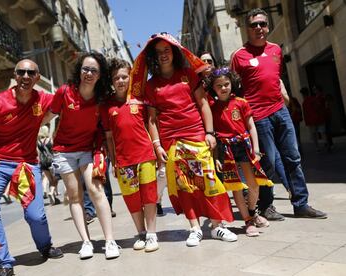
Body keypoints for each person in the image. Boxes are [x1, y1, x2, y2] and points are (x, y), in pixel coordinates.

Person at [130, 32, 237, 247]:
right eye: (158, 52)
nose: (163, 55)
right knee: (185, 186)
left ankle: (217, 226)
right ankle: (195, 228)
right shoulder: (151, 86)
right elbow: (151, 119)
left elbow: (203, 104)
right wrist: (157, 144)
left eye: (166, 50)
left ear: (174, 52)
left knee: (210, 181)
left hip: (197, 135)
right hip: (172, 142)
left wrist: (209, 132)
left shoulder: (188, 74)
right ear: (153, 56)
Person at [0, 59, 63, 276]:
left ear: (37, 77)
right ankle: (3, 262)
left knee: (36, 216)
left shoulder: (43, 99)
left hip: (27, 164)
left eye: (31, 73)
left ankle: (45, 246)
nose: (26, 77)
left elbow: (65, 99)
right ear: (15, 75)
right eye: (22, 72)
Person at [231, 8, 327, 220]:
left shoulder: (276, 50)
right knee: (269, 163)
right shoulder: (238, 57)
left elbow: (276, 79)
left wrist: (286, 101)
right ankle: (266, 206)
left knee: (293, 158)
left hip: (280, 112)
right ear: (247, 29)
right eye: (254, 25)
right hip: (258, 117)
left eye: (262, 24)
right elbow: (234, 91)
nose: (259, 28)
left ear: (267, 26)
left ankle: (301, 204)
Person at [43, 51, 120, 260]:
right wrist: (28, 131)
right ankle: (86, 242)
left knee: (97, 191)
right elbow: (47, 115)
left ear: (99, 74)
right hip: (64, 151)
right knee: (74, 196)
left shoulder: (100, 98)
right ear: (79, 70)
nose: (89, 73)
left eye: (94, 70)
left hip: (88, 149)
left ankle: (110, 241)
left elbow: (107, 127)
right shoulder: (65, 92)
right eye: (86, 68)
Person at [101, 58, 159, 252]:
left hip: (146, 155)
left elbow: (151, 124)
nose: (120, 80)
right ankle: (141, 233)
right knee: (132, 199)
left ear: (130, 77)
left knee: (149, 196)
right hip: (124, 162)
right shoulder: (106, 106)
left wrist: (157, 149)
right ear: (111, 80)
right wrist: (114, 162)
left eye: (124, 76)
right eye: (116, 77)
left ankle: (151, 234)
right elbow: (109, 138)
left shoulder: (139, 98)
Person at [206, 67, 271, 237]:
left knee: (253, 185)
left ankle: (252, 211)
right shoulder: (211, 107)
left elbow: (251, 126)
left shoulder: (241, 102)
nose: (223, 88)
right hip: (225, 150)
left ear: (232, 83)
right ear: (213, 88)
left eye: (226, 84)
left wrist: (256, 148)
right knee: (236, 188)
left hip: (244, 146)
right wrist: (216, 158)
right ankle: (248, 221)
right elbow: (212, 133)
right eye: (218, 85)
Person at [37, 126, 60, 206]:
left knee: (50, 180)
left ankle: (53, 197)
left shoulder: (38, 141)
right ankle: (51, 192)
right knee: (55, 179)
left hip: (43, 162)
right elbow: (55, 150)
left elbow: (38, 153)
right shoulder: (50, 140)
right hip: (51, 161)